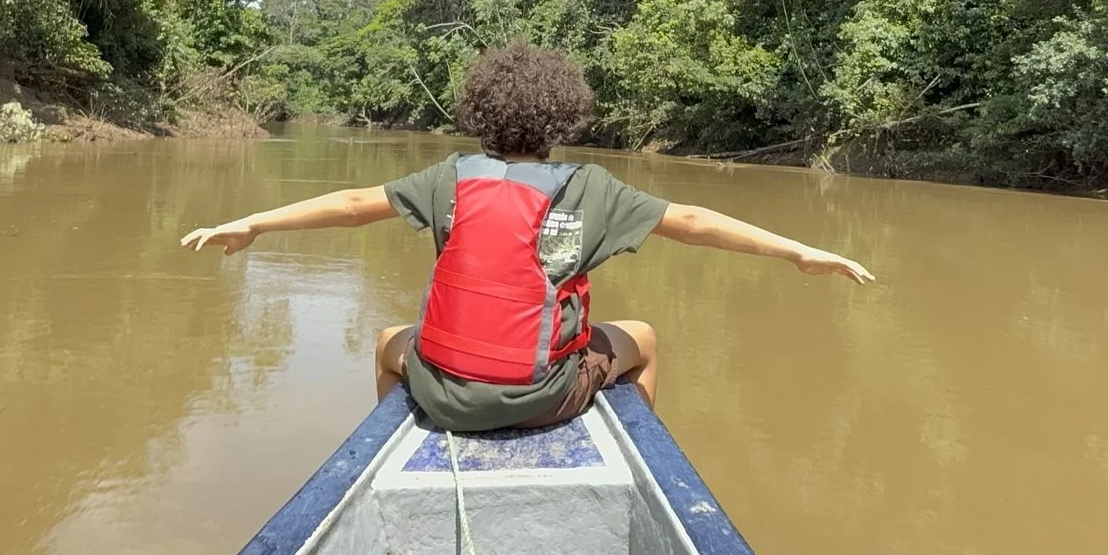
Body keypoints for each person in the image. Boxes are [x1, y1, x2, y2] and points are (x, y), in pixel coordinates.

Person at [177, 42, 874, 432]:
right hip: (546, 396)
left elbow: (355, 205)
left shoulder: (450, 177)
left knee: (388, 340)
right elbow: (691, 221)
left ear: (482, 116)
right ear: (561, 119)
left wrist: (253, 222)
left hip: (442, 394)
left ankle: (401, 444)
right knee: (646, 337)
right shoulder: (593, 187)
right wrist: (798, 250)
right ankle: (637, 454)